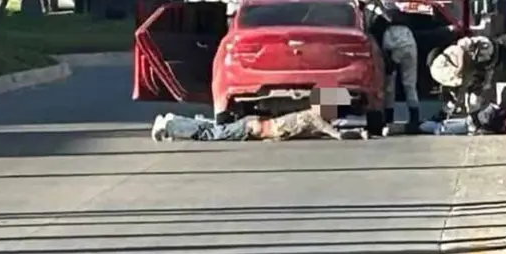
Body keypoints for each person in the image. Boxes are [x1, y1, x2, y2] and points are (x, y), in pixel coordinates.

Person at [427, 34, 506, 114]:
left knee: (474, 101)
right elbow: (461, 49)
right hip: (448, 68)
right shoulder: (486, 45)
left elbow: (482, 81)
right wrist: (461, 68)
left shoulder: (490, 63)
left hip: (455, 76)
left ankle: (460, 112)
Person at [364, 0, 420, 126]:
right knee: (410, 84)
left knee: (389, 86)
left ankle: (389, 119)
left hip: (391, 45)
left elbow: (372, 33)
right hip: (409, 41)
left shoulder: (378, 18)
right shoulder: (401, 14)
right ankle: (414, 120)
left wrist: (388, 62)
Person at [151, 109, 369, 142]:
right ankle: (169, 125)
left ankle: (176, 119)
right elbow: (334, 133)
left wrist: (358, 130)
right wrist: (357, 135)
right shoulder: (314, 118)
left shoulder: (310, 118)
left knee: (215, 129)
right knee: (212, 134)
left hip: (254, 127)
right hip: (253, 128)